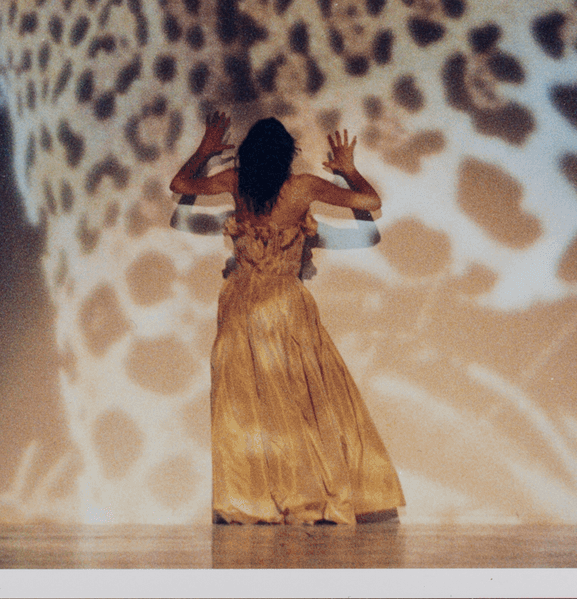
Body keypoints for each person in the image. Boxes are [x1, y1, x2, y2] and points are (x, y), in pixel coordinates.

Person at [171, 111, 406, 525]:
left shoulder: (235, 182)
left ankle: (255, 497)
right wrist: (349, 171)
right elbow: (371, 203)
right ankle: (308, 493)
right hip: (285, 303)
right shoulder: (302, 187)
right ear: (287, 155)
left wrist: (205, 150)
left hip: (243, 303)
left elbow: (179, 185)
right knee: (306, 400)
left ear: (248, 154)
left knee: (247, 406)